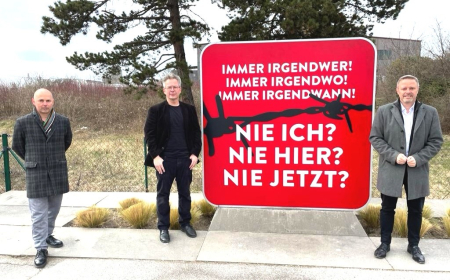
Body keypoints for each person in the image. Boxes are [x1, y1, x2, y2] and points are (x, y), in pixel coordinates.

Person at [369, 75, 443, 264]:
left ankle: (414, 245)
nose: (408, 92)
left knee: (416, 210)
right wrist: (394, 155)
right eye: (404, 88)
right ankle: (384, 244)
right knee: (387, 208)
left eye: (411, 88)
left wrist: (418, 158)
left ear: (417, 90)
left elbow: (436, 141)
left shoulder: (430, 112)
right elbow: (375, 138)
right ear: (397, 90)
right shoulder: (385, 111)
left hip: (417, 169)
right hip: (391, 168)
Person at [12, 88, 72, 268]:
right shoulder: (23, 122)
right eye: (41, 100)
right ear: (33, 101)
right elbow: (17, 146)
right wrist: (34, 160)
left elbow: (66, 142)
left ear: (53, 101)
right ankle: (40, 248)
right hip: (36, 173)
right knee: (38, 214)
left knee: (53, 210)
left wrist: (52, 158)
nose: (45, 104)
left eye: (48, 100)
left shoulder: (62, 121)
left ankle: (48, 234)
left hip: (57, 171)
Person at [144, 73, 202, 243]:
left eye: (175, 87)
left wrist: (194, 154)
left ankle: (185, 223)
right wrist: (155, 157)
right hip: (165, 161)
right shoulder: (155, 111)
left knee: (185, 194)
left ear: (180, 89)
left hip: (185, 160)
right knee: (163, 195)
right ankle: (163, 228)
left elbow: (196, 134)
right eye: (169, 87)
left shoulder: (189, 110)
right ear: (164, 90)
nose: (172, 90)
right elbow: (150, 135)